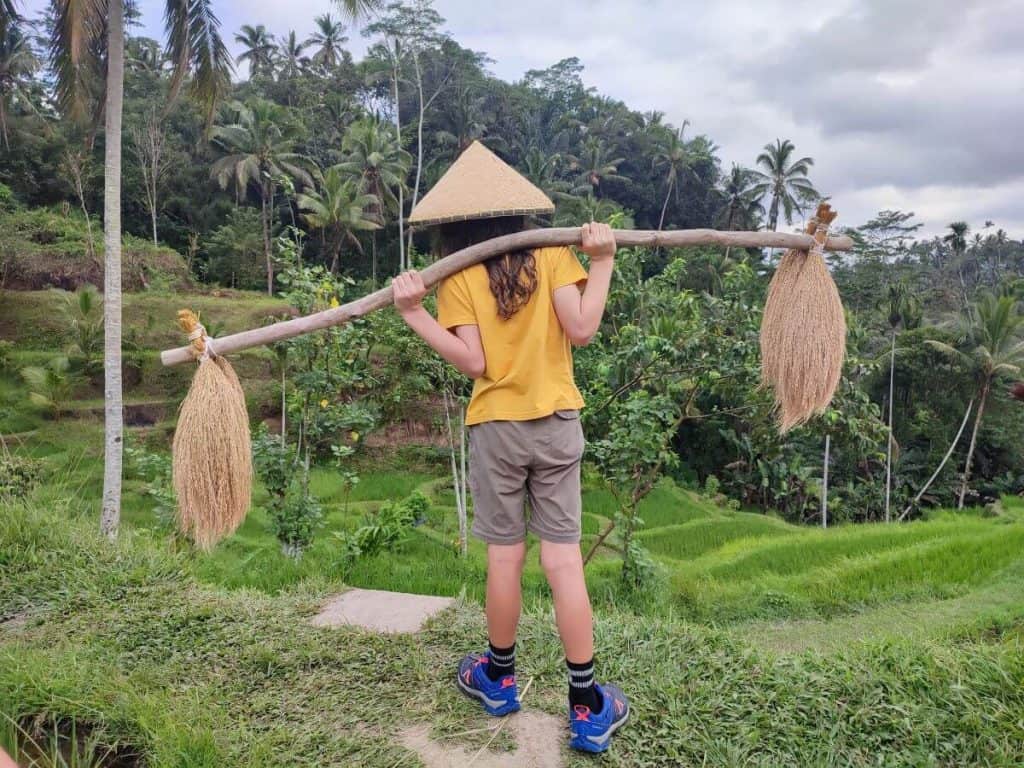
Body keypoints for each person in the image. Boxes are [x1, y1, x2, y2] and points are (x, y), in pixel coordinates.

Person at [394, 170, 629, 751]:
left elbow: (473, 363)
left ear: (455, 225)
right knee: (563, 561)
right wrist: (602, 261)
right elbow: (582, 327)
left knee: (505, 557)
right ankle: (587, 703)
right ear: (519, 213)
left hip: (496, 428)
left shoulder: (458, 273)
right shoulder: (551, 255)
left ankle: (498, 678)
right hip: (555, 424)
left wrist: (414, 315)